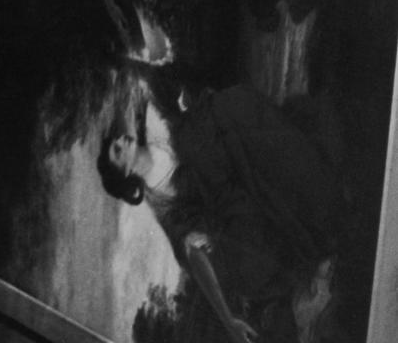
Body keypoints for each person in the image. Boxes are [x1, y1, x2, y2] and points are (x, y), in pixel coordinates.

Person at [97, 74, 340, 343]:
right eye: (116, 151)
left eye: (115, 141)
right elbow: (194, 253)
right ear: (126, 174)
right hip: (229, 188)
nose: (120, 140)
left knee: (238, 107)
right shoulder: (160, 201)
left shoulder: (152, 130)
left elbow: (176, 103)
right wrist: (227, 318)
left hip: (231, 148)